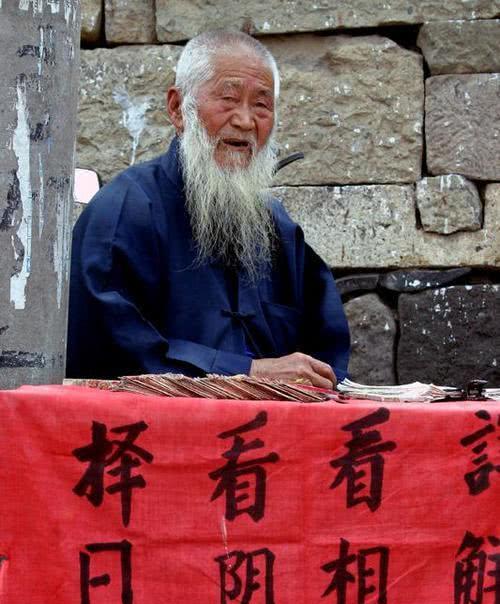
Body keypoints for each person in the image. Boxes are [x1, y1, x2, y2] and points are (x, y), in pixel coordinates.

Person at [67, 31, 350, 389]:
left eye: (261, 105)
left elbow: (326, 356)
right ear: (177, 109)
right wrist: (245, 372)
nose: (245, 121)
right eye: (228, 99)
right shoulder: (126, 211)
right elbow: (108, 353)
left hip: (271, 425)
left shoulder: (278, 229)